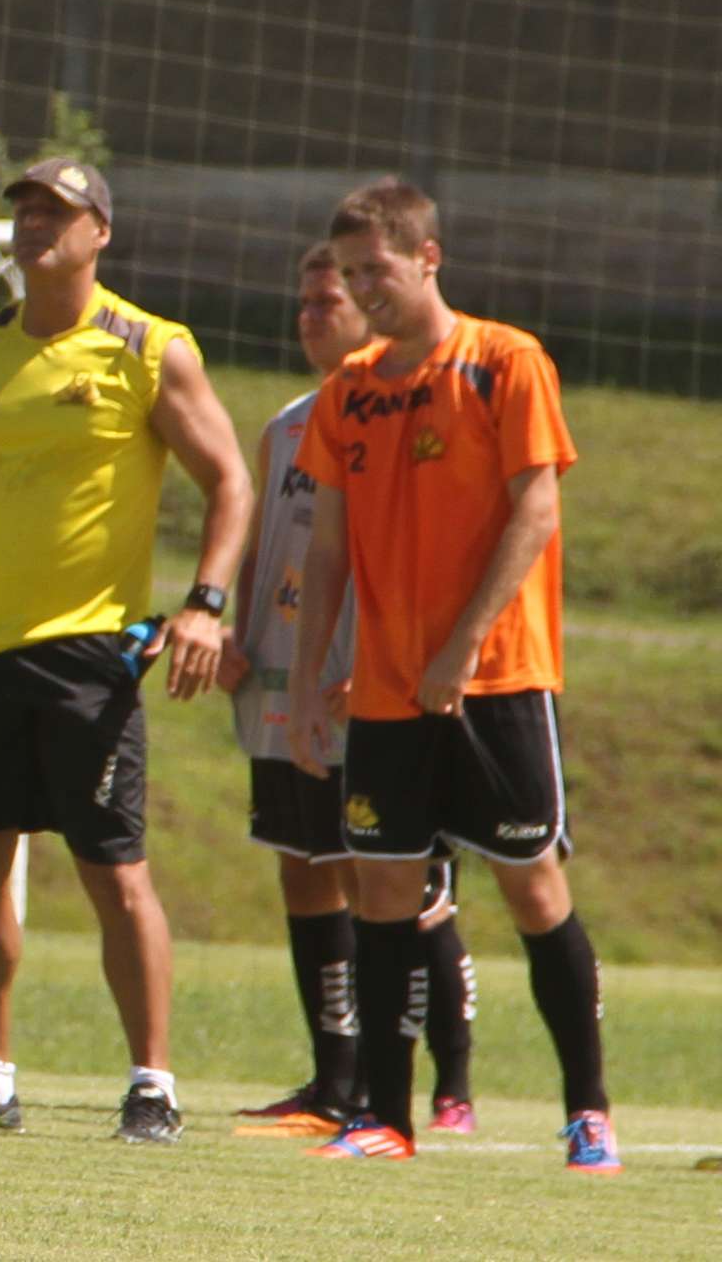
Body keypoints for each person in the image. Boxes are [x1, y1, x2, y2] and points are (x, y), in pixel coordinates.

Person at [0, 158, 253, 1141]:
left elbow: (228, 482)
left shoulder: (146, 348)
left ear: (97, 232)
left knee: (112, 869)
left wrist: (202, 605)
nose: (34, 225)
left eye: (55, 212)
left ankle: (151, 1083)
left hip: (89, 653)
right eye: (23, 210)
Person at [288, 176, 617, 1172]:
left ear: (426, 257)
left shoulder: (503, 361)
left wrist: (462, 644)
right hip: (386, 691)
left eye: (373, 269)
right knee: (383, 893)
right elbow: (327, 552)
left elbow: (535, 514)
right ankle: (383, 1119)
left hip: (498, 681)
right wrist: (310, 682)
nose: (361, 289)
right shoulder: (347, 391)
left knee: (530, 885)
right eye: (347, 274)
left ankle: (587, 1111)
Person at [221, 244, 480, 1138]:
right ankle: (334, 1081)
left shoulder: (407, 411)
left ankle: (448, 1087)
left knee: (403, 884)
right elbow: (268, 546)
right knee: (305, 868)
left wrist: (376, 661)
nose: (310, 316)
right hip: (284, 684)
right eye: (303, 302)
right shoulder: (290, 423)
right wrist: (233, 632)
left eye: (327, 299)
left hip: (371, 689)